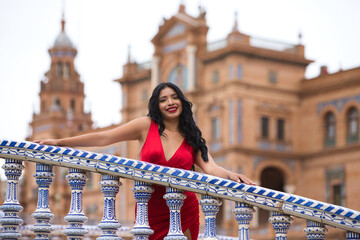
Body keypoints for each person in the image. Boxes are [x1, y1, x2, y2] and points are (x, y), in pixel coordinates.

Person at [35, 82, 256, 240]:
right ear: (156, 105)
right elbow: (105, 137)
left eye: (174, 97)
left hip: (183, 209)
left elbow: (210, 167)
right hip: (149, 208)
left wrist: (232, 176)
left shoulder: (192, 136)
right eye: (163, 99)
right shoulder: (145, 125)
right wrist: (61, 142)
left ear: (182, 101)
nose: (170, 102)